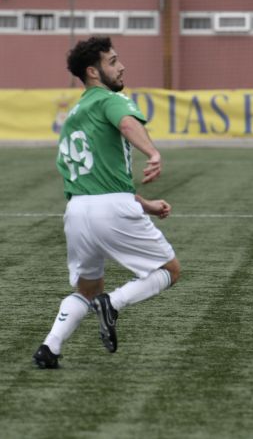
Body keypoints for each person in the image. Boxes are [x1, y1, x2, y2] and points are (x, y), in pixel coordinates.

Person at [33, 36, 181, 369]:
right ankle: (112, 303)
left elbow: (99, 177)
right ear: (93, 72)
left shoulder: (75, 114)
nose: (122, 65)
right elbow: (128, 123)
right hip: (110, 208)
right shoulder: (107, 100)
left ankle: (50, 348)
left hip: (77, 211)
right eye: (113, 61)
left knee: (86, 289)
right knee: (170, 270)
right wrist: (153, 153)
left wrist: (144, 203)